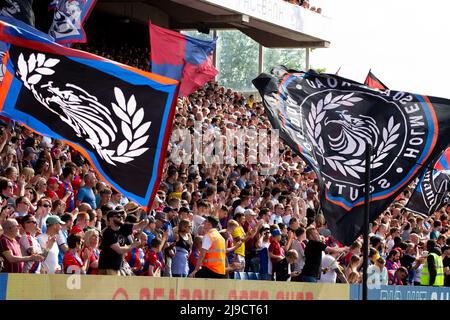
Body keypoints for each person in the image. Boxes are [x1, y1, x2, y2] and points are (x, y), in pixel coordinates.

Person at [97, 208, 148, 275]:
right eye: (118, 216)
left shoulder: (123, 227)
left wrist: (144, 222)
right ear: (110, 219)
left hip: (116, 267)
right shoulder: (108, 233)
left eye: (121, 216)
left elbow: (138, 225)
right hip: (108, 267)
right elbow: (119, 250)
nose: (121, 217)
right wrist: (133, 245)